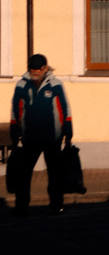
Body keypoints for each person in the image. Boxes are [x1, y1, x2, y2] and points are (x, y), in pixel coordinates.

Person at [9, 54, 72, 216]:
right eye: (32, 68)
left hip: (53, 137)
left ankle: (57, 206)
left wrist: (68, 132)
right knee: (24, 175)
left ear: (45, 68)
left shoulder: (56, 84)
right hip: (30, 138)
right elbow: (16, 110)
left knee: (54, 175)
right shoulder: (22, 85)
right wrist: (15, 132)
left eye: (38, 69)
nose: (35, 72)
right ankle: (21, 208)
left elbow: (65, 109)